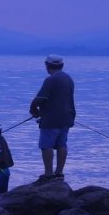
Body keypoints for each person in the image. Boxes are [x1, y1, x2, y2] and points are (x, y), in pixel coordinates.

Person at [29, 54, 76, 182]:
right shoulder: (68, 78)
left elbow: (40, 99)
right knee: (62, 145)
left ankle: (48, 174)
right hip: (67, 117)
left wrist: (33, 110)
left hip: (51, 119)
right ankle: (59, 173)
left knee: (46, 146)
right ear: (62, 65)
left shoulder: (51, 80)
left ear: (47, 66)